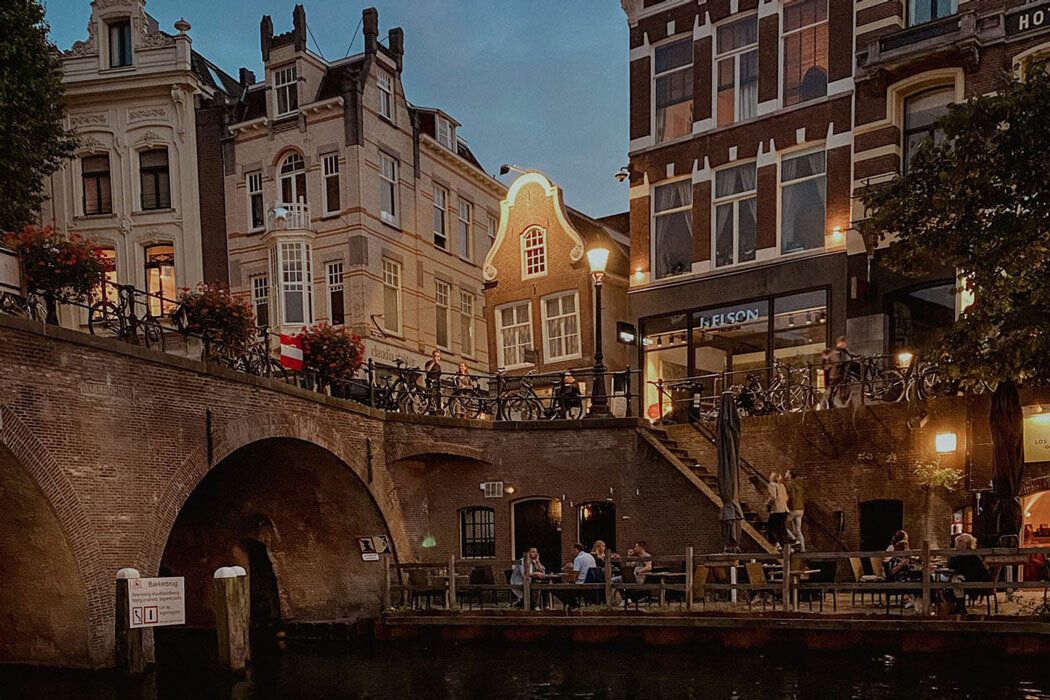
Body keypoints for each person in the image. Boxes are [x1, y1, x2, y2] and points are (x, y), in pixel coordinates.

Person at [944, 533, 990, 614]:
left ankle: (960, 606)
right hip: (972, 577)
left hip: (975, 580)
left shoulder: (967, 555)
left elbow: (953, 566)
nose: (956, 545)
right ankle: (957, 605)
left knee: (956, 580)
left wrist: (953, 556)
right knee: (955, 579)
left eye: (957, 543)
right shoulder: (973, 554)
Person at [766, 473, 793, 549]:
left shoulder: (771, 485)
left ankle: (777, 544)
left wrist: (767, 503)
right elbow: (786, 498)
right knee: (782, 529)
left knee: (770, 527)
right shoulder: (782, 486)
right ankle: (787, 546)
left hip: (776, 510)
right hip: (784, 509)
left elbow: (773, 497)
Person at [784, 469, 805, 552]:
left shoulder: (789, 484)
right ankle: (803, 548)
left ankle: (794, 540)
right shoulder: (797, 484)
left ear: (790, 475)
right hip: (800, 509)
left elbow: (790, 496)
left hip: (793, 508)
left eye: (787, 472)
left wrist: (785, 504)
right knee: (797, 530)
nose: (785, 473)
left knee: (781, 525)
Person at [424, 349, 443, 413]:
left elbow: (439, 376)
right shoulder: (429, 363)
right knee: (431, 397)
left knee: (438, 397)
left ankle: (438, 409)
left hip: (436, 384)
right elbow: (427, 370)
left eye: (438, 356)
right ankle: (431, 409)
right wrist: (433, 362)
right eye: (435, 356)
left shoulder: (439, 366)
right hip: (430, 382)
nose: (436, 358)